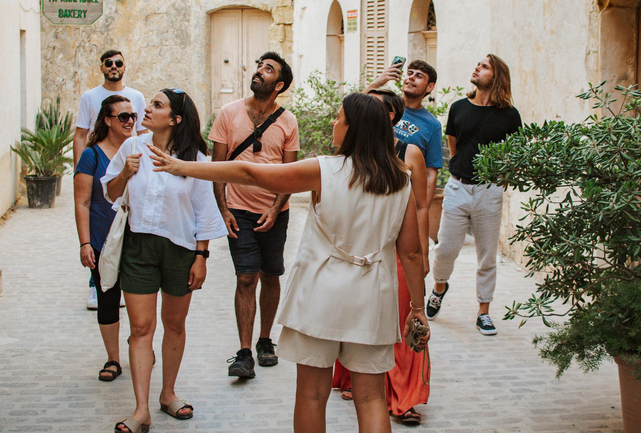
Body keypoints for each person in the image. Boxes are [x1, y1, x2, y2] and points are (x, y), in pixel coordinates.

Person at [149, 93, 430, 433]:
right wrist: (417, 307)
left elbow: (250, 173)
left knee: (312, 394)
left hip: (319, 294)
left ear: (353, 128)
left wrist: (182, 166)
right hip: (372, 296)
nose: (333, 123)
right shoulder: (399, 180)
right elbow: (412, 253)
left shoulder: (323, 170)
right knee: (371, 398)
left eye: (338, 118)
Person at [103, 88, 227, 433]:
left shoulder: (196, 158)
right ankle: (141, 409)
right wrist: (125, 173)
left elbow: (204, 210)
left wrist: (201, 257)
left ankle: (167, 393)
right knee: (141, 328)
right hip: (138, 247)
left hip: (181, 250)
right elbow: (111, 194)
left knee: (174, 325)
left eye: (157, 105)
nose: (147, 109)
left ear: (175, 119)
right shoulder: (132, 146)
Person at [333, 89, 431, 423]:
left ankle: (403, 396)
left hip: (396, 249)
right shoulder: (348, 152)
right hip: (358, 250)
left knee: (400, 321)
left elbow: (419, 205)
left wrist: (422, 251)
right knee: (355, 316)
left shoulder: (409, 151)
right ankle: (352, 376)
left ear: (388, 115)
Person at [207, 51, 299, 378]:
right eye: (259, 66)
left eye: (268, 69)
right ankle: (244, 353)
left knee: (271, 275)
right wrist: (223, 209)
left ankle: (265, 341)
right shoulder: (228, 113)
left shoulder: (288, 121)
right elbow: (216, 168)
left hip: (276, 212)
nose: (259, 71)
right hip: (239, 211)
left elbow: (290, 172)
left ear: (280, 84)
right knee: (246, 276)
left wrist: (276, 209)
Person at [426, 54, 522, 335]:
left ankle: (483, 311)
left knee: (486, 255)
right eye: (478, 65)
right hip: (457, 186)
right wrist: (460, 172)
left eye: (484, 66)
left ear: (497, 76)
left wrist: (497, 181)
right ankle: (440, 286)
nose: (477, 68)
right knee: (445, 248)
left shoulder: (509, 115)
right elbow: (454, 147)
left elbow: (514, 153)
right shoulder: (458, 108)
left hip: (489, 190)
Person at [74, 49, 147, 310]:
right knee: (101, 227)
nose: (114, 67)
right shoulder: (90, 97)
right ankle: (98, 284)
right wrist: (80, 168)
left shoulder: (136, 97)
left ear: (125, 67)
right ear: (102, 67)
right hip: (99, 164)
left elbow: (142, 132)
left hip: (129, 166)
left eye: (118, 63)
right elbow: (81, 134)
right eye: (109, 63)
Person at [73, 95, 135, 382]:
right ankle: (113, 359)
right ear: (108, 120)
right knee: (108, 299)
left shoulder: (139, 150)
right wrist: (85, 243)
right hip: (102, 240)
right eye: (123, 116)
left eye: (133, 116)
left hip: (136, 240)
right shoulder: (91, 156)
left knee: (139, 300)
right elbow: (83, 202)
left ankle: (140, 346)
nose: (130, 121)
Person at [365, 60, 442, 206]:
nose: (411, 77)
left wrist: (422, 209)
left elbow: (430, 173)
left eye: (419, 76)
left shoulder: (432, 125)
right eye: (409, 73)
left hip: (402, 197)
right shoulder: (384, 105)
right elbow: (351, 111)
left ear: (430, 86)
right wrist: (378, 82)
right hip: (369, 185)